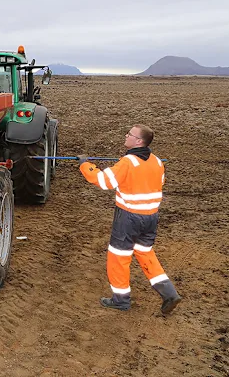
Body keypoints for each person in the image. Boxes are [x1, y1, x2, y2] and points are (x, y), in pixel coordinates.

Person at [78, 124, 182, 315]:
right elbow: (158, 182)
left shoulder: (127, 162)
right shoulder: (157, 161)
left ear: (139, 141)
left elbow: (103, 181)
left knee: (119, 257)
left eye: (130, 134)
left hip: (128, 218)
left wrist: (85, 164)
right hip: (151, 217)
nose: (126, 136)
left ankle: (120, 300)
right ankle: (169, 293)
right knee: (145, 253)